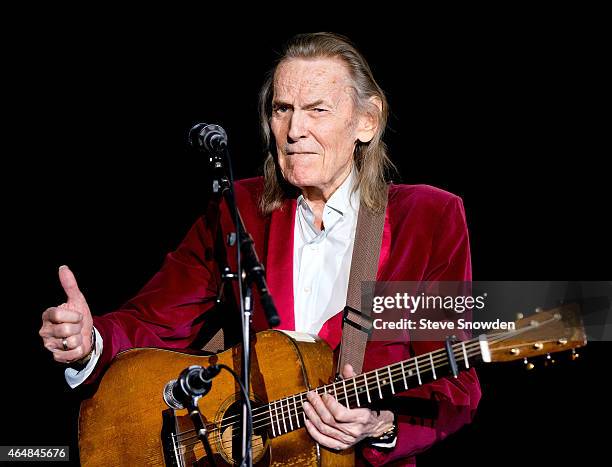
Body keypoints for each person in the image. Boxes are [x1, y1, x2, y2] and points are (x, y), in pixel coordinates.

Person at [39, 32, 481, 466]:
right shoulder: (239, 209)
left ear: (366, 120)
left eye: (317, 110)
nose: (294, 130)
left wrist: (381, 426)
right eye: (282, 110)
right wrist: (88, 340)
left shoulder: (428, 219)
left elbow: (456, 387)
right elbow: (154, 321)